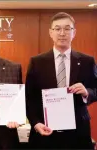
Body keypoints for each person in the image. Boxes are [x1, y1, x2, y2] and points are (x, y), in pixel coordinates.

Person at [25, 12, 97, 149]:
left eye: (67, 28)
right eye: (57, 29)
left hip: (78, 132)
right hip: (45, 130)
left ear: (74, 32)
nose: (62, 33)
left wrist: (87, 92)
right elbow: (28, 97)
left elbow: (96, 89)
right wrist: (35, 123)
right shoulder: (37, 62)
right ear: (50, 33)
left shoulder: (87, 61)